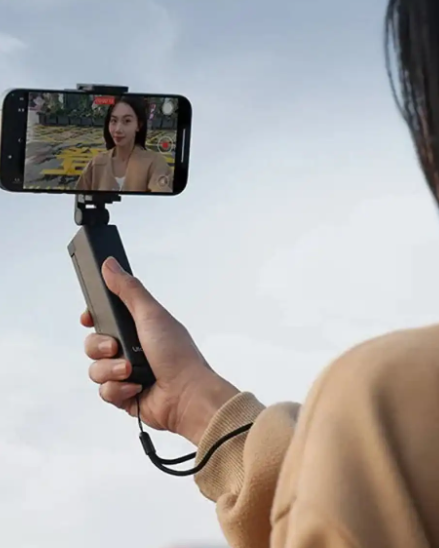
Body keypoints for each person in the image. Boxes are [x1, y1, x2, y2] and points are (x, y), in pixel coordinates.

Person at [80, 1, 439, 546]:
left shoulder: (383, 403)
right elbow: (330, 497)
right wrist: (193, 399)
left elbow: (338, 503)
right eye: (114, 120)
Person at [74, 96, 173, 193]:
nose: (118, 129)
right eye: (114, 121)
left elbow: (162, 196)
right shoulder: (96, 164)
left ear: (138, 125)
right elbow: (77, 197)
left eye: (127, 121)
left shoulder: (155, 163)